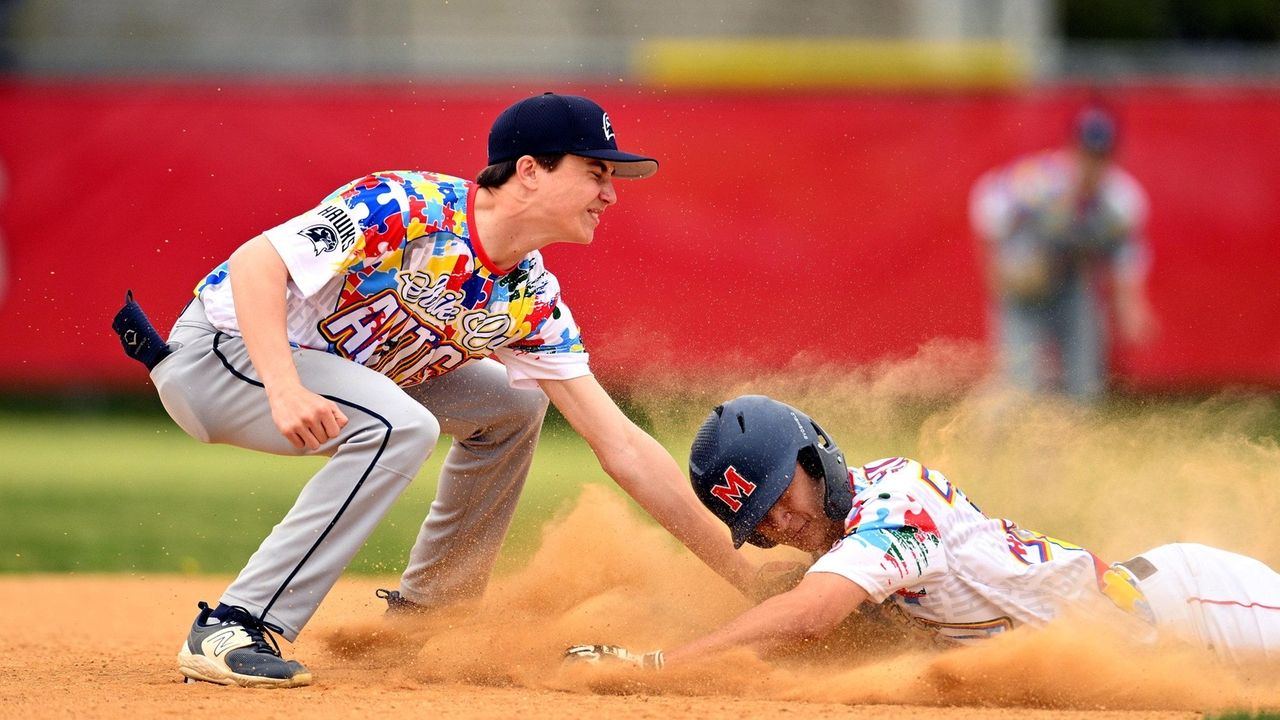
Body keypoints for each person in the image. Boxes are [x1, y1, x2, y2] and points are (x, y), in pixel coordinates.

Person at [116, 93, 762, 689]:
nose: (610, 194)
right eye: (596, 172)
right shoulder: (408, 205)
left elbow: (619, 442)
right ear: (531, 170)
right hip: (219, 358)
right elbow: (261, 260)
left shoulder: (526, 297)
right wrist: (283, 387)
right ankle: (235, 622)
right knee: (401, 425)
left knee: (512, 404)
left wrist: (748, 578)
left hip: (338, 379)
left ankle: (428, 616)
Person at [566, 395, 1280, 670]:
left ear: (817, 460)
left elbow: (810, 617)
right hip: (1157, 640)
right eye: (759, 524)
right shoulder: (853, 541)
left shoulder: (895, 504)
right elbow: (790, 599)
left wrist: (668, 663)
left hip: (1195, 603)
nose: (780, 525)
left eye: (780, 497)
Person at [969, 108, 1157, 403]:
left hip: (1073, 289)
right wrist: (996, 277)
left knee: (1084, 386)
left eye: (1101, 155)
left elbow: (1125, 255)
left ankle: (1070, 447)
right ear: (1073, 148)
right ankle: (982, 440)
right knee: (1021, 384)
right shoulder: (1039, 182)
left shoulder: (1120, 201)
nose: (1092, 163)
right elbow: (987, 209)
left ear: (1112, 156)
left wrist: (1131, 304)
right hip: (1025, 289)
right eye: (1087, 152)